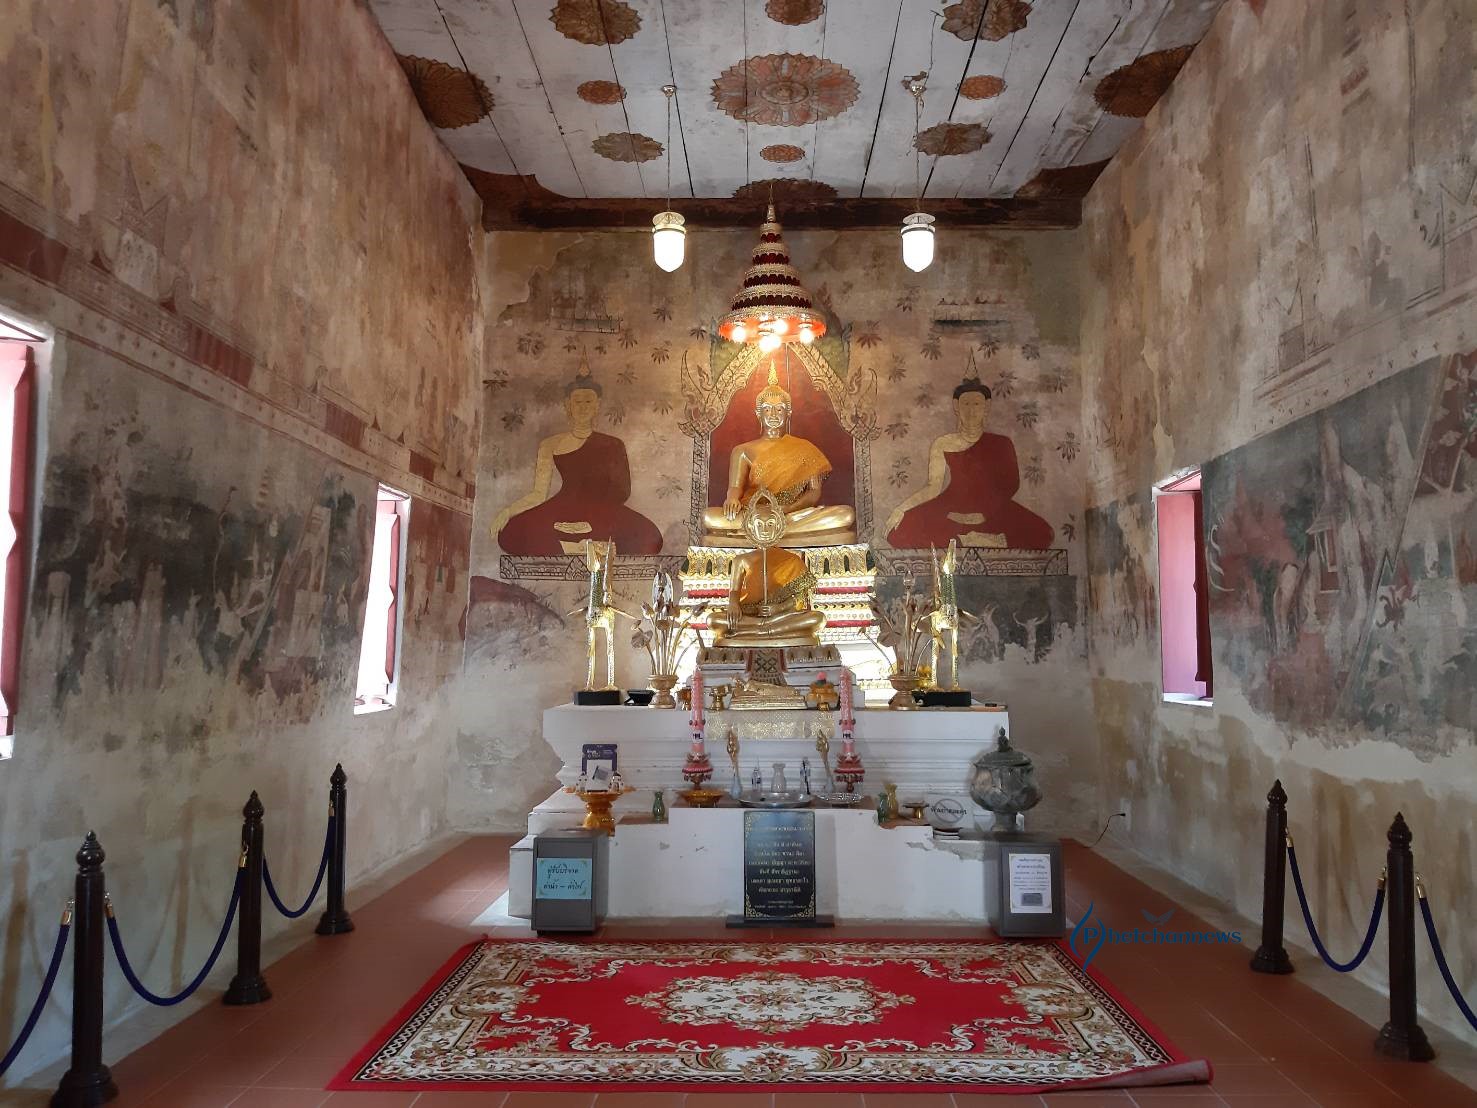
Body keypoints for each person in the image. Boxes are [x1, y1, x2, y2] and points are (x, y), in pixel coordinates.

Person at [491, 362, 662, 555]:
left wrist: (591, 522)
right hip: (562, 506)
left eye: (588, 401)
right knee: (510, 532)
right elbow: (538, 494)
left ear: (597, 405)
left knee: (650, 535)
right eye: (577, 402)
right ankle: (575, 547)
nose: (583, 407)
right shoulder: (550, 444)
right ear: (568, 405)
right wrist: (508, 511)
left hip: (603, 511)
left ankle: (580, 543)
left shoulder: (613, 444)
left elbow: (622, 493)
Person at [885, 373, 1054, 549]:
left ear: (986, 406)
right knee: (899, 531)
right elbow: (932, 487)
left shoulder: (1001, 443)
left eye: (977, 404)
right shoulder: (943, 443)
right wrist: (901, 509)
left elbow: (1011, 484)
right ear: (956, 406)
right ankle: (965, 540)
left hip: (993, 506)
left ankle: (989, 540)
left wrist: (985, 513)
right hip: (952, 503)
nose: (971, 411)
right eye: (966, 404)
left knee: (1042, 532)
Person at [700, 365, 855, 547]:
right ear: (758, 414)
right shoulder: (742, 451)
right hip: (753, 515)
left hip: (791, 515)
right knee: (709, 517)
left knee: (845, 515)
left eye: (779, 409)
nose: (773, 414)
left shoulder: (805, 448)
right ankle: (777, 533)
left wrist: (787, 509)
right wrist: (732, 499)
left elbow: (814, 492)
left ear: (788, 413)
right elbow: (735, 487)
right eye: (767, 409)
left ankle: (763, 534)